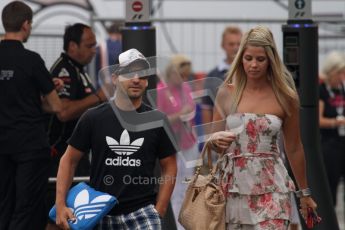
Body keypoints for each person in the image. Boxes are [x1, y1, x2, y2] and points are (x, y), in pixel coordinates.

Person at [208, 25, 317, 229]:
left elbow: (294, 148)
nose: (254, 65)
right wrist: (215, 140)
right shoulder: (226, 92)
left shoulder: (286, 97)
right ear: (241, 57)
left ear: (271, 60)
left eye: (261, 59)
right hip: (233, 187)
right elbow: (214, 140)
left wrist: (304, 193)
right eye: (248, 58)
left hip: (272, 185)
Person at [55, 48, 177, 230]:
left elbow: (170, 165)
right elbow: (68, 160)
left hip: (143, 212)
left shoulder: (157, 120)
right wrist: (60, 206)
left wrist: (160, 209)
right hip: (99, 211)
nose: (136, 79)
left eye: (142, 75)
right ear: (114, 78)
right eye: (129, 73)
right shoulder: (93, 118)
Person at [0, 1, 63, 230]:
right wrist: (45, 93)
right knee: (27, 208)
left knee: (4, 206)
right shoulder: (32, 60)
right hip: (29, 145)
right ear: (26, 24)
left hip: (2, 144)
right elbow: (56, 107)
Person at [46, 23, 106, 224]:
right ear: (72, 46)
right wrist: (99, 97)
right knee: (57, 214)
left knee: (79, 215)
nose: (93, 50)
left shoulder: (79, 70)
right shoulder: (64, 70)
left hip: (80, 154)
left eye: (95, 45)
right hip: (60, 156)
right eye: (89, 45)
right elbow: (63, 111)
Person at [156, 54, 199, 229]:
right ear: (172, 73)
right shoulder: (161, 90)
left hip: (189, 143)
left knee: (188, 187)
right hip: (172, 146)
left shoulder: (186, 89)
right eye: (181, 75)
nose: (184, 79)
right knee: (174, 188)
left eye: (187, 76)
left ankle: (186, 223)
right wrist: (179, 115)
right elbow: (160, 119)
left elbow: (191, 114)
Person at [318, 51, 345, 206]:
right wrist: (336, 122)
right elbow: (318, 120)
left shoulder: (341, 88)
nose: (342, 77)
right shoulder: (321, 90)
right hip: (329, 143)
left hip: (342, 141)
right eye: (340, 73)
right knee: (331, 183)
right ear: (332, 72)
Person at [201, 25, 242, 125]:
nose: (235, 48)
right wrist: (208, 138)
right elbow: (207, 108)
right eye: (231, 44)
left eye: (239, 44)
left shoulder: (250, 73)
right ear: (223, 45)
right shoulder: (212, 75)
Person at [95, 22, 123, 89]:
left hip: (102, 88)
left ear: (109, 32)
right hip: (120, 87)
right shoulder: (125, 46)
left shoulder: (101, 46)